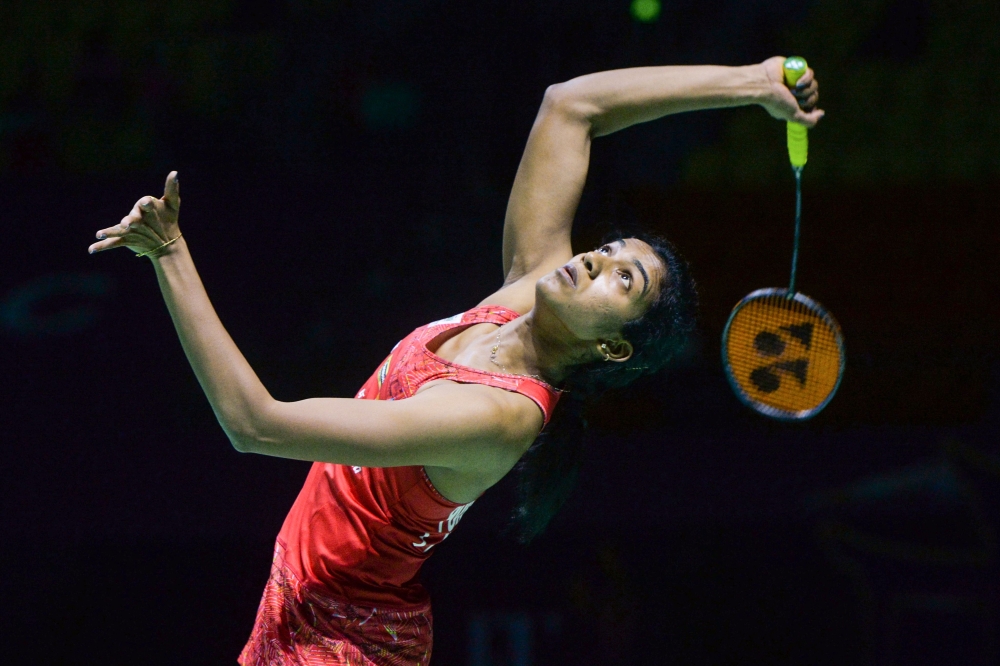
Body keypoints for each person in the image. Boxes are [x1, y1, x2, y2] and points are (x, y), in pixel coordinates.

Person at [89, 56, 822, 665]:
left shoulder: (497, 414)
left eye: (621, 280)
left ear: (614, 347)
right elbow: (570, 107)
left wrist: (172, 255)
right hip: (308, 596)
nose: (596, 261)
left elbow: (255, 424)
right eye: (609, 250)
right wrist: (753, 83)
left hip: (345, 644)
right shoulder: (528, 290)